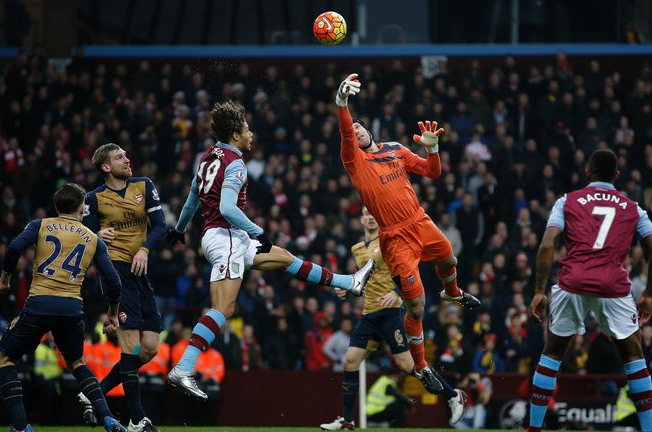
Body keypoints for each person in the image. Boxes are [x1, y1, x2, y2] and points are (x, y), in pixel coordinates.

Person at [163, 100, 374, 399]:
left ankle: (348, 282)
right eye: (247, 129)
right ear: (235, 134)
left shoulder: (208, 158)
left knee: (285, 258)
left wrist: (180, 230)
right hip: (228, 238)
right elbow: (226, 207)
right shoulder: (235, 163)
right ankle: (184, 368)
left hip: (221, 237)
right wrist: (258, 231)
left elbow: (190, 201)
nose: (252, 133)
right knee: (223, 308)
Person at [334, 73, 481, 393]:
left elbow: (433, 172)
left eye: (360, 127)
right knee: (416, 306)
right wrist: (343, 103)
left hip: (420, 222)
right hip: (395, 237)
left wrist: (434, 149)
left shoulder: (396, 150)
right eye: (352, 130)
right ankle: (422, 365)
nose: (355, 131)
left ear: (370, 130)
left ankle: (452, 292)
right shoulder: (354, 161)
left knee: (449, 257)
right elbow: (345, 132)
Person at [527, 149, 652, 432]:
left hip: (572, 281)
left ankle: (533, 429)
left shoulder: (567, 201)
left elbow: (546, 245)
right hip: (613, 287)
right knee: (634, 357)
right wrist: (649, 295)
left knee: (552, 353)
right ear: (616, 176)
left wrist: (540, 290)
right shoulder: (633, 208)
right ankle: (649, 431)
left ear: (588, 172)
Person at [0, 183, 126, 432]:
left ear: (56, 207)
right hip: (72, 308)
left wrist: (4, 281)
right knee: (77, 364)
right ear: (82, 207)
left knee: (4, 359)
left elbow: (14, 248)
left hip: (40, 302)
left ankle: (21, 426)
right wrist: (113, 313)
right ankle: (107, 418)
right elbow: (114, 282)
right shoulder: (93, 239)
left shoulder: (40, 225)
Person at [320, 207, 467, 431]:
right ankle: (347, 421)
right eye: (366, 214)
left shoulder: (390, 241)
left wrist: (398, 293)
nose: (370, 217)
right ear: (361, 220)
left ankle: (452, 395)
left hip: (392, 312)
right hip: (369, 314)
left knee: (408, 364)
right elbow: (363, 278)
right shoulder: (357, 249)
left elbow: (409, 269)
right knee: (350, 361)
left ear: (379, 219)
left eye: (373, 214)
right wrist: (347, 289)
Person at [80, 143, 166, 432]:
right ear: (106, 167)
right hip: (116, 271)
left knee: (150, 348)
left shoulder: (144, 184)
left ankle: (95, 394)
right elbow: (83, 235)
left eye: (126, 155)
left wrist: (145, 250)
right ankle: (136, 419)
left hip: (140, 269)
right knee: (130, 346)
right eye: (119, 157)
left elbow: (160, 226)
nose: (127, 159)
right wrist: (96, 234)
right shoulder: (94, 198)